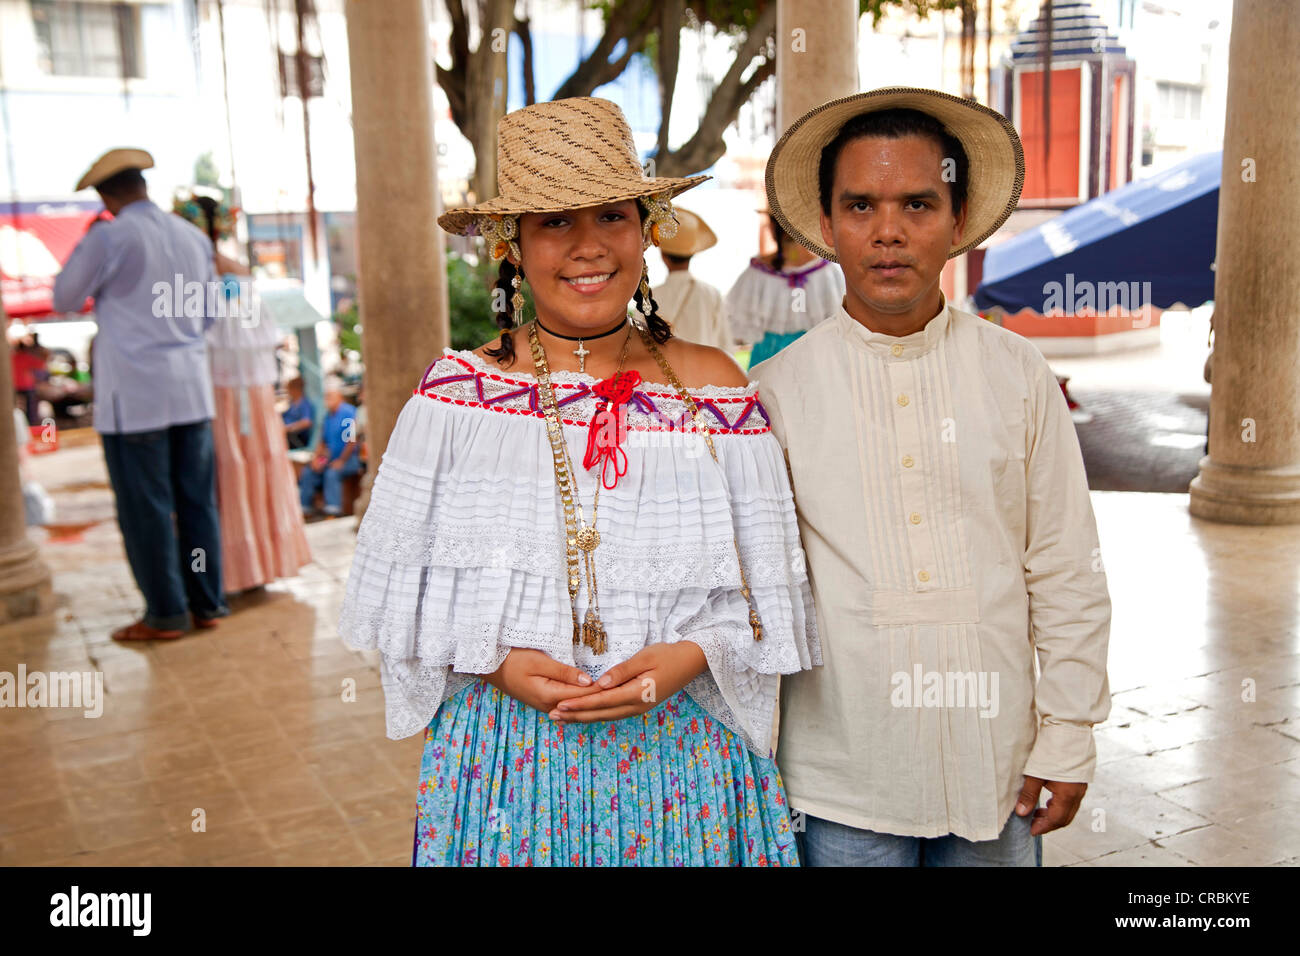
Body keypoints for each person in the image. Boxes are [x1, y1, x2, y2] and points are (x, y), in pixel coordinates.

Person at [339, 96, 819, 867]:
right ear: (513, 244)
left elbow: (769, 590)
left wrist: (686, 658)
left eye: (612, 217)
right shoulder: (455, 400)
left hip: (683, 759)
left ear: (646, 229)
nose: (589, 246)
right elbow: (399, 597)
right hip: (510, 761)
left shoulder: (714, 390)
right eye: (555, 222)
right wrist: (496, 661)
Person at [752, 89, 1112, 867]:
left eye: (918, 203)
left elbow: (1064, 563)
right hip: (841, 779)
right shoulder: (777, 393)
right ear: (826, 226)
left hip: (999, 766)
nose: (888, 232)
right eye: (860, 206)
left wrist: (1070, 730)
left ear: (958, 221)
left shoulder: (1016, 372)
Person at [52, 148, 228, 641]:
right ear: (142, 186)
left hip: (136, 395)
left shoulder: (110, 235)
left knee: (146, 507)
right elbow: (210, 316)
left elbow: (64, 298)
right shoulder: (192, 237)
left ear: (107, 196)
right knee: (197, 503)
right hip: (190, 390)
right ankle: (206, 602)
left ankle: (166, 614)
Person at [176, 192, 312, 592]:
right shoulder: (237, 273)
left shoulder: (195, 275)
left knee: (224, 471)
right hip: (248, 391)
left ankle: (227, 573)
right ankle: (255, 567)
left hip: (218, 390)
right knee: (248, 466)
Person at [725, 211, 844, 366]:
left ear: (773, 228)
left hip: (769, 358)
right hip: (813, 357)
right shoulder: (827, 272)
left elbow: (738, 325)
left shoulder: (757, 274)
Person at [652, 207, 733, 351]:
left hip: (663, 371)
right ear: (693, 253)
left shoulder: (650, 298)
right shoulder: (711, 294)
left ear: (663, 256)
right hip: (705, 370)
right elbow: (725, 345)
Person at [298, 380, 358, 517]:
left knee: (332, 473)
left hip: (349, 459)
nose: (327, 399)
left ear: (339, 396)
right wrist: (316, 459)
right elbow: (322, 442)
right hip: (330, 457)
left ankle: (333, 510)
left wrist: (341, 461)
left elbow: (352, 440)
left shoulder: (348, 412)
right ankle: (305, 508)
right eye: (326, 396)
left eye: (330, 395)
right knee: (308, 471)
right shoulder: (327, 416)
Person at [282, 376, 315, 450]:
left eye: (289, 389)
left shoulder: (305, 404)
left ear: (296, 389)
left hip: (297, 437)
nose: (288, 391)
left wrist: (288, 428)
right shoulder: (292, 403)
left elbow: (306, 422)